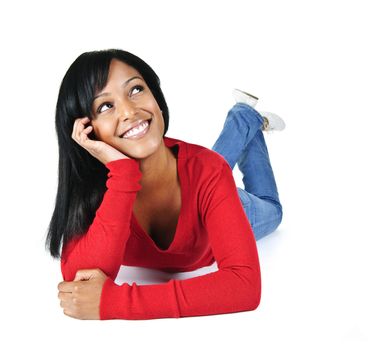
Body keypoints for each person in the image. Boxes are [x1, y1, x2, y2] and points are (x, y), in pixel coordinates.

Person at [47, 49, 284, 320]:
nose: (129, 111)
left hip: (221, 203)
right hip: (196, 177)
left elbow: (244, 286)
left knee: (271, 211)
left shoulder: (208, 173)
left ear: (157, 99)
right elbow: (79, 280)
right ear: (86, 130)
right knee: (209, 167)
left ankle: (247, 120)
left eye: (136, 89)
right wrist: (123, 174)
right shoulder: (93, 192)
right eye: (105, 106)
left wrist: (115, 302)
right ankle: (243, 120)